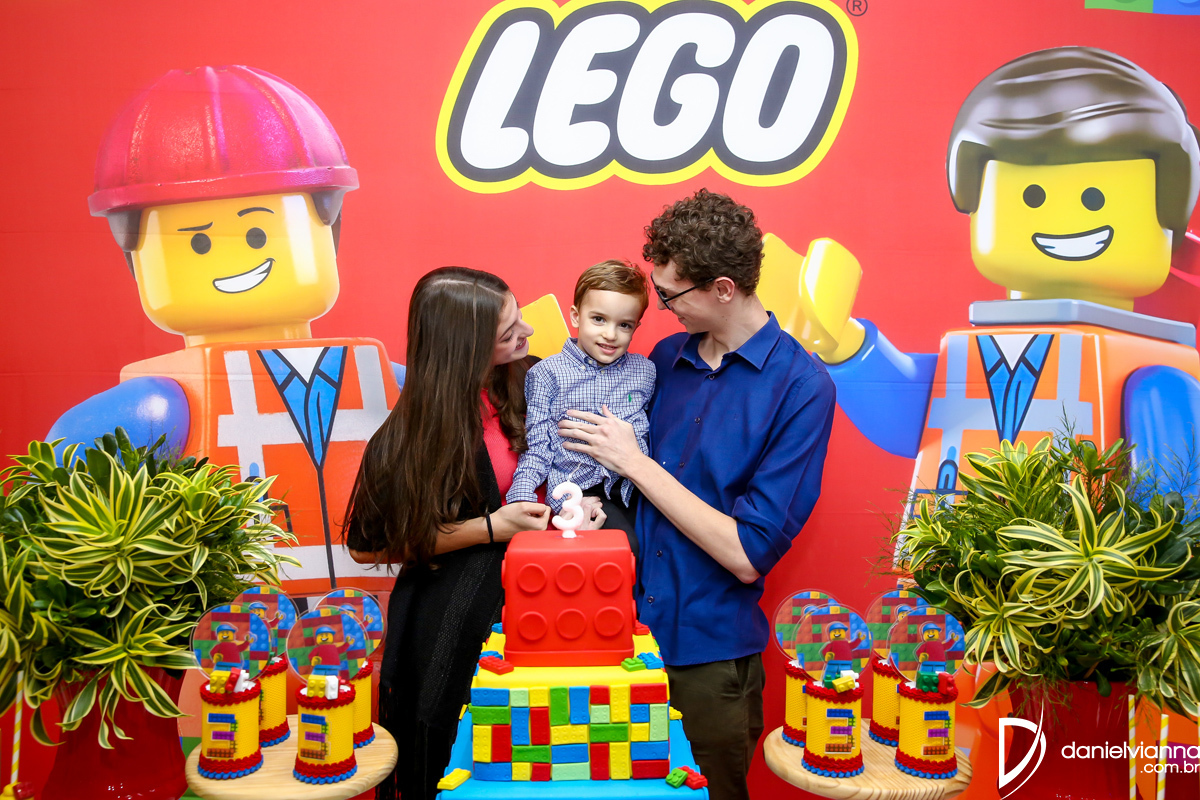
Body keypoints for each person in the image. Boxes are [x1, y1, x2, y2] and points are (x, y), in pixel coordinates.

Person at [558, 189, 837, 800]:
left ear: (723, 289)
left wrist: (634, 463)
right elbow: (630, 491)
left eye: (670, 296)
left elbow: (747, 554)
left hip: (707, 658)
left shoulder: (802, 387)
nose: (661, 309)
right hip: (618, 638)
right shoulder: (665, 358)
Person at [342, 267, 606, 800]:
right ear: (465, 348)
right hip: (451, 627)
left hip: (549, 612)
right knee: (456, 764)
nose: (527, 332)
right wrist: (489, 528)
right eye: (508, 332)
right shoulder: (409, 436)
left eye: (519, 318)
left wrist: (583, 501)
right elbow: (367, 546)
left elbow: (574, 462)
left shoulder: (536, 380)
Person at [506, 259, 655, 553]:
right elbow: (537, 445)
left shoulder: (645, 371)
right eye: (598, 319)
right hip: (579, 490)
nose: (610, 334)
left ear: (636, 326)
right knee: (623, 550)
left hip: (635, 488)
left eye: (624, 325)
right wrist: (522, 498)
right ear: (576, 316)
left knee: (657, 554)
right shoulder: (546, 374)